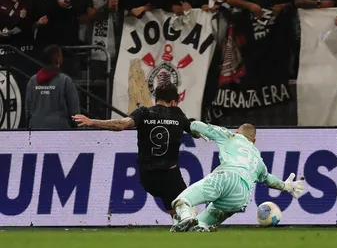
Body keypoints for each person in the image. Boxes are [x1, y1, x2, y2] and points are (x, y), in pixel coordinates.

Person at [72, 83, 200, 223]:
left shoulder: (143, 112)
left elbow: (121, 124)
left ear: (156, 99)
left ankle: (178, 222)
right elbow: (195, 133)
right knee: (187, 209)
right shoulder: (178, 114)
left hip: (147, 177)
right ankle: (186, 224)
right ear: (174, 102)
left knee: (173, 208)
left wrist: (92, 122)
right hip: (169, 175)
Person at [170, 121, 304, 232]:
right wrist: (286, 186)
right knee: (201, 223)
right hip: (241, 196)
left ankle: (185, 217)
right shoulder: (259, 161)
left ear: (237, 132)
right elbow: (269, 180)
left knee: (182, 200)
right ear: (254, 140)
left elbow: (196, 125)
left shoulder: (230, 136)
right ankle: (201, 226)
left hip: (226, 177)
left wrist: (194, 129)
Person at [25, 45, 80, 129]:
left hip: (36, 127)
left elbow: (27, 109)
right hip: (59, 129)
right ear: (58, 59)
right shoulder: (65, 81)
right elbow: (74, 111)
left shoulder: (32, 80)